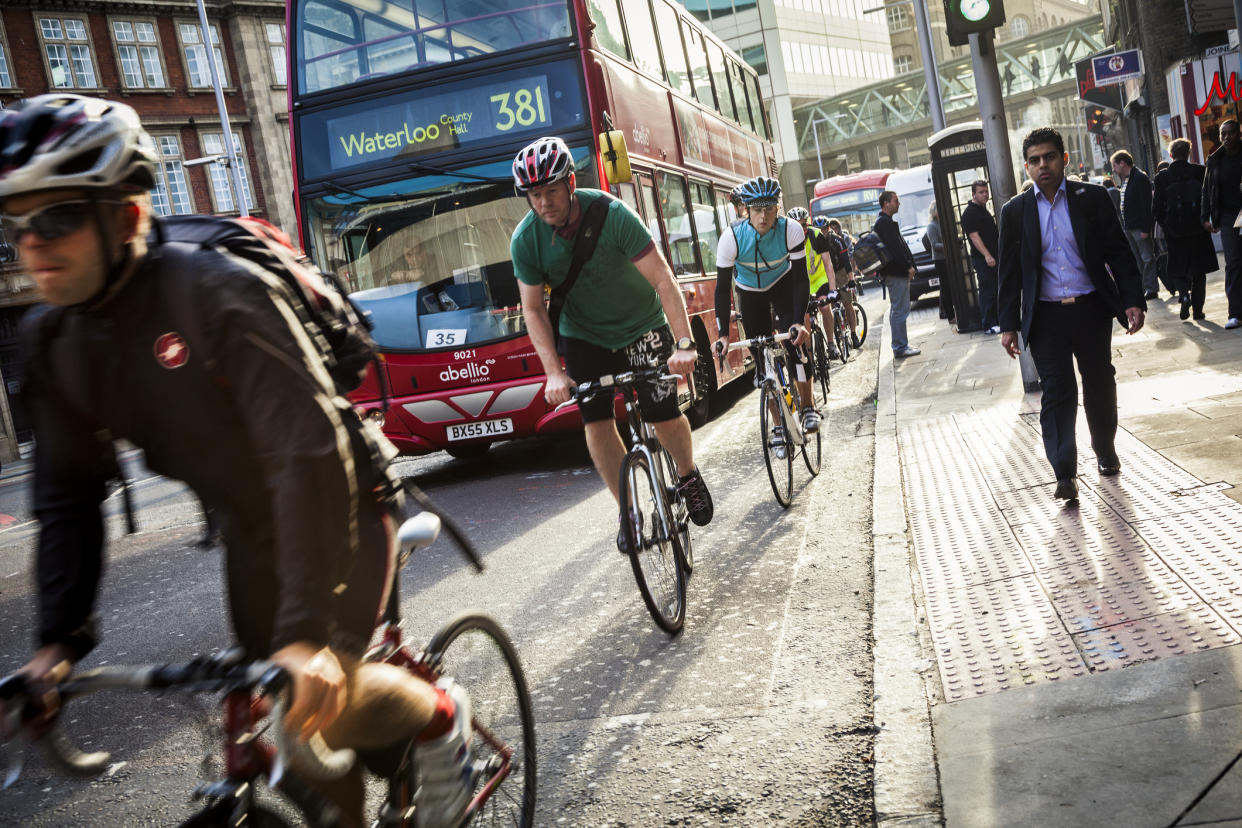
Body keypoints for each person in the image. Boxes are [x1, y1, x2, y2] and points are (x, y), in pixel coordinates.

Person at [1, 94, 472, 828]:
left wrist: (305, 636)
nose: (33, 243)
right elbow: (66, 495)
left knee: (320, 698)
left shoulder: (216, 294)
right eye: (18, 224)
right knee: (297, 756)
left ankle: (441, 718)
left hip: (342, 497)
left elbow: (308, 453)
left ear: (124, 216)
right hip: (253, 525)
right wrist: (55, 642)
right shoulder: (52, 340)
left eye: (58, 217)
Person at [509, 136, 713, 551]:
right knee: (596, 422)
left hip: (642, 326)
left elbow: (662, 279)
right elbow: (532, 309)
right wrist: (553, 371)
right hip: (584, 336)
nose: (543, 202)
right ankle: (630, 511)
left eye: (550, 191)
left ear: (569, 183)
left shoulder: (612, 214)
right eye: (533, 195)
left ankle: (688, 474)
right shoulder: (526, 241)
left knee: (663, 414)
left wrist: (684, 343)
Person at [998, 126, 1146, 501]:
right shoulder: (1015, 212)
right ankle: (1064, 471)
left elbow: (1118, 251)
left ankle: (1104, 448)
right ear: (1026, 166)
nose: (1042, 165)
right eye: (1034, 160)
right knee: (1058, 391)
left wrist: (1132, 300)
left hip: (1091, 309)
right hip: (1046, 319)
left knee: (1099, 381)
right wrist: (1009, 326)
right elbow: (1009, 273)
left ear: (1063, 159)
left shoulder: (1091, 198)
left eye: (1049, 157)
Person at [713, 176, 818, 442]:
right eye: (757, 210)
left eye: (769, 209)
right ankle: (778, 424)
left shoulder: (791, 230)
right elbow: (722, 289)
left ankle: (807, 407)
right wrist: (723, 334)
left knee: (796, 344)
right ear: (747, 210)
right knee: (761, 362)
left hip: (783, 285)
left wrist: (797, 321)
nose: (763, 216)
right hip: (749, 293)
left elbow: (800, 279)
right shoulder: (732, 237)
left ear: (777, 209)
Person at [1153, 137, 1218, 321]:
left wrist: (1167, 226)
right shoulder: (1199, 171)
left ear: (1171, 154)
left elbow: (1156, 208)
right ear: (1188, 153)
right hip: (1199, 230)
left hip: (1175, 232)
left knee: (1176, 268)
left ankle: (1184, 295)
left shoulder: (1162, 177)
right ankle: (1198, 311)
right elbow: (1210, 197)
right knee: (1199, 272)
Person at [1201, 118, 1242, 329]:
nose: (1226, 137)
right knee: (1234, 262)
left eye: (1230, 133)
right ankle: (1235, 312)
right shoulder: (1215, 160)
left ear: (1239, 133)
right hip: (1228, 216)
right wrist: (1205, 217)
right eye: (1222, 134)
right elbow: (1207, 190)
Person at [788, 208, 841, 359]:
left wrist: (832, 289)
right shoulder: (786, 239)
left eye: (804, 225)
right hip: (801, 283)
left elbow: (828, 263)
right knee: (804, 318)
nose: (801, 229)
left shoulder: (816, 235)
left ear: (808, 223)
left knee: (825, 307)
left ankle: (831, 344)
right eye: (797, 225)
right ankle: (810, 355)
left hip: (819, 279)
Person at [873, 190, 920, 358]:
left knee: (897, 309)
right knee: (900, 310)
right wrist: (908, 266)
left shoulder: (885, 222)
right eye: (895, 200)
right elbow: (896, 248)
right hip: (896, 273)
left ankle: (900, 344)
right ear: (886, 203)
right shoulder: (884, 223)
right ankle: (900, 346)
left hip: (894, 273)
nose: (898, 203)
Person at [1112, 149, 1158, 300]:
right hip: (1129, 227)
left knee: (1147, 258)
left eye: (1115, 165)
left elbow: (1146, 206)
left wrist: (1146, 228)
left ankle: (1151, 288)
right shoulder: (1126, 179)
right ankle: (1144, 287)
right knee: (1138, 259)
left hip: (1139, 227)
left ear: (1122, 163)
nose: (1113, 169)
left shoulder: (1139, 178)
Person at [960, 180, 1001, 334]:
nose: (985, 194)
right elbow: (974, 237)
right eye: (981, 192)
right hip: (983, 259)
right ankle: (988, 324)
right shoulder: (970, 213)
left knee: (995, 288)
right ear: (973, 194)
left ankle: (996, 320)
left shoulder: (983, 209)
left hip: (993, 256)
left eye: (986, 191)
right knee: (987, 290)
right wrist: (988, 256)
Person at [922, 204, 951, 324]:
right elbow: (934, 245)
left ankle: (948, 310)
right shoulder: (931, 226)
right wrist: (950, 245)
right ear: (935, 212)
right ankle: (947, 313)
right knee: (945, 286)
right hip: (940, 260)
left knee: (949, 286)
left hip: (948, 258)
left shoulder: (943, 223)